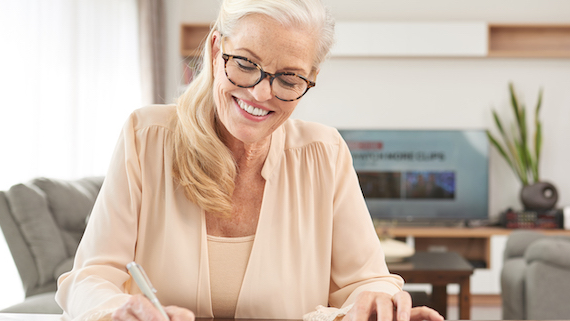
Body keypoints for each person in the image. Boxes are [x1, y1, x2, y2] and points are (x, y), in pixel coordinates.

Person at [55, 1, 445, 321]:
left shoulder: (324, 153)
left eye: (289, 79)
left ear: (310, 78)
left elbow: (368, 281)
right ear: (214, 50)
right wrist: (118, 310)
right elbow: (91, 276)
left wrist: (378, 304)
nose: (260, 93)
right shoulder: (146, 136)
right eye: (245, 64)